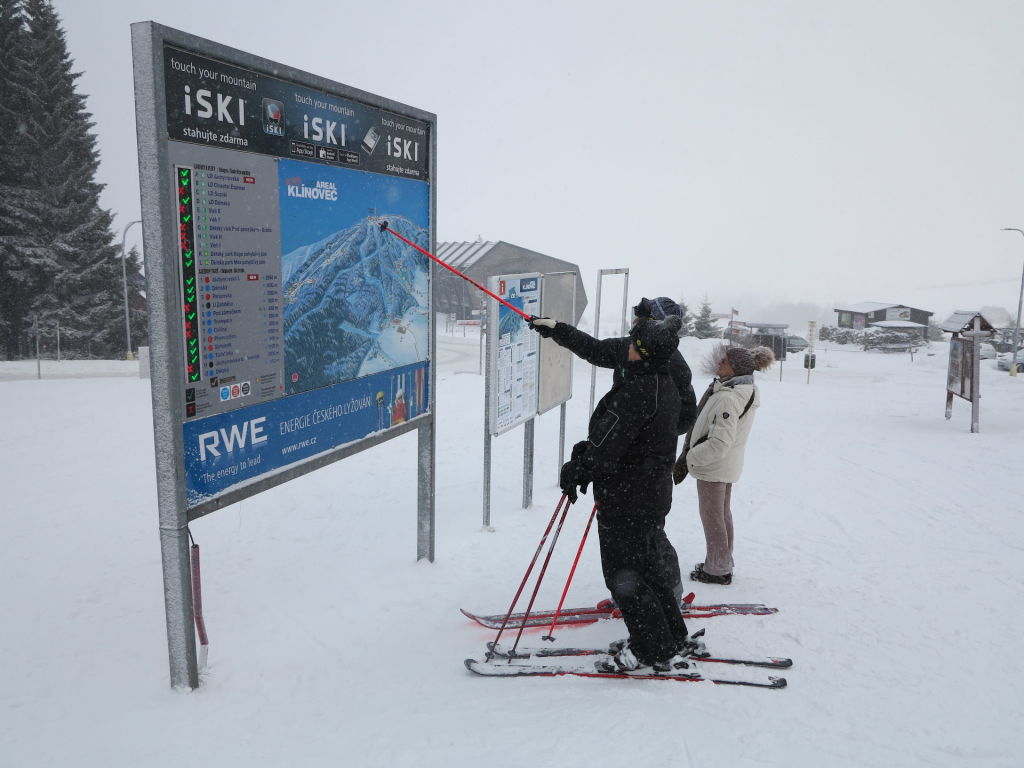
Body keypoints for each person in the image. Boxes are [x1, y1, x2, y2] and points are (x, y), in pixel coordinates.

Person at [530, 313, 693, 672]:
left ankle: (652, 648)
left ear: (644, 353)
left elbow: (609, 445)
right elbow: (619, 440)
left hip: (628, 499)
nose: (629, 347)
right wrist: (587, 455)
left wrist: (580, 466)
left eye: (634, 344)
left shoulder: (639, 391)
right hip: (648, 495)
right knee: (648, 569)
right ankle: (670, 635)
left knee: (625, 576)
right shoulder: (660, 381)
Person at [674, 344, 774, 585]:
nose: (719, 362)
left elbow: (719, 443)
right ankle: (722, 562)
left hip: (714, 466)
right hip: (723, 465)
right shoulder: (738, 390)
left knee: (713, 517)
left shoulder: (728, 398)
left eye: (725, 361)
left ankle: (717, 569)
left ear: (735, 368)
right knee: (720, 514)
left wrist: (690, 458)